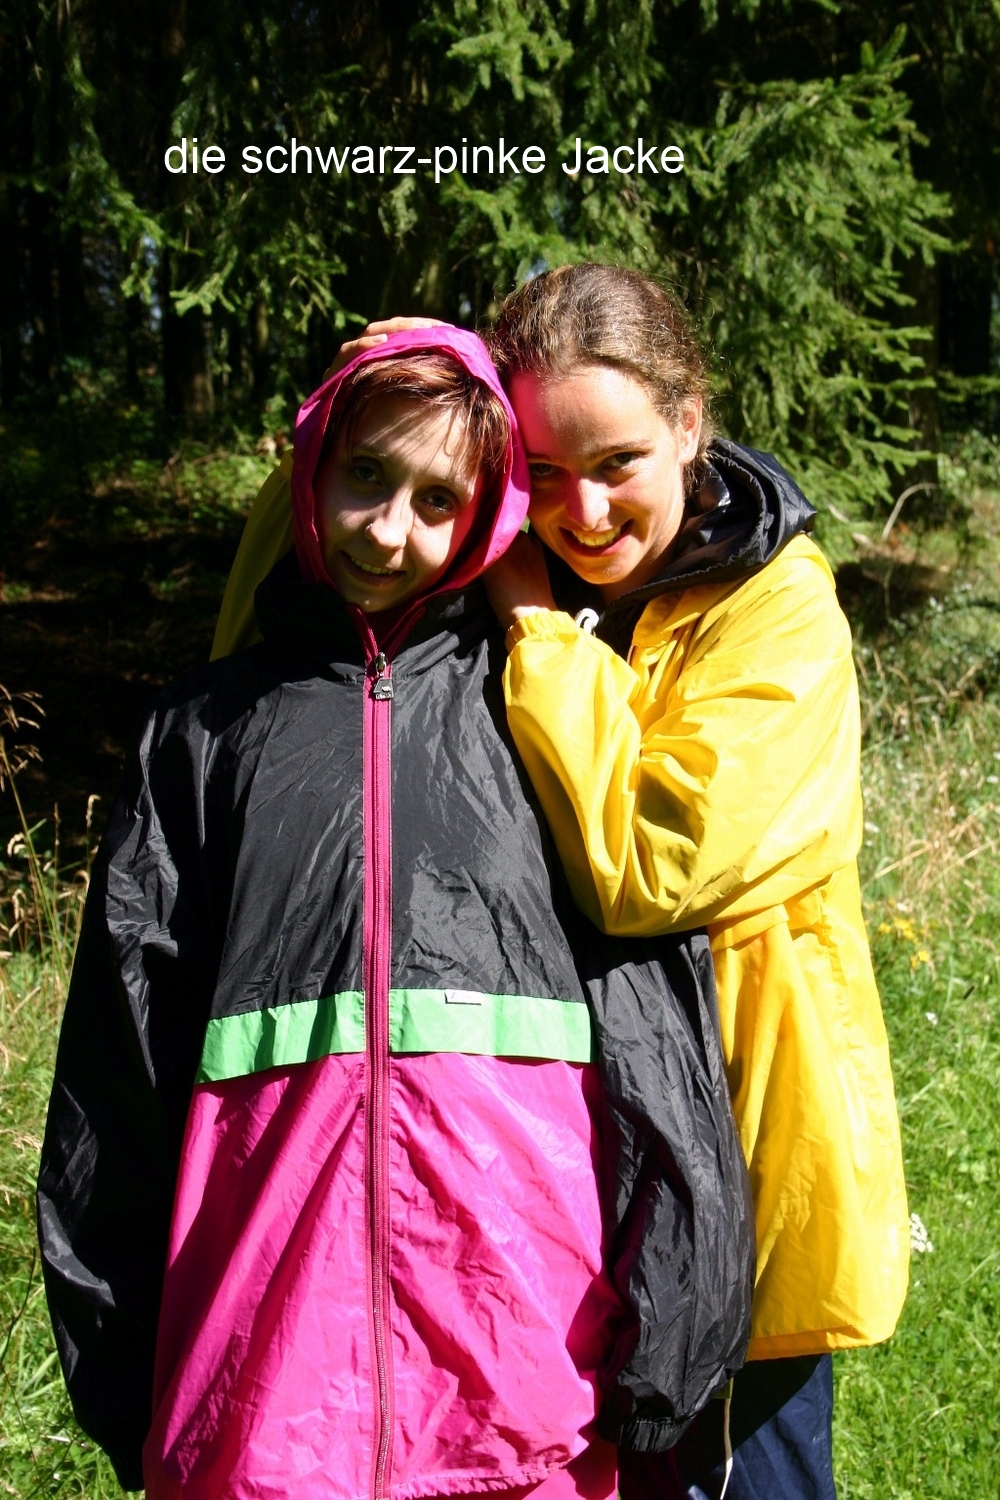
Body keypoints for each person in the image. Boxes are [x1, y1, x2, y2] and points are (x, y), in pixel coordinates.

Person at [214, 265, 911, 1499]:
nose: (582, 511)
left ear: (689, 424)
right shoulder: (495, 566)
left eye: (618, 463)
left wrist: (534, 623)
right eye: (542, 472)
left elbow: (651, 863)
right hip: (554, 1177)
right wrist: (362, 398)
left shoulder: (774, 610)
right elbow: (294, 606)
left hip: (738, 1167)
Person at [37, 325, 753, 1500]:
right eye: (364, 475)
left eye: (437, 499)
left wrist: (668, 1339)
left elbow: (655, 1049)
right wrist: (120, 1365)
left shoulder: (539, 713)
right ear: (309, 467)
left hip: (525, 1388)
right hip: (261, 1395)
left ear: (486, 516)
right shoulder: (203, 734)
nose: (386, 530)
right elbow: (116, 1070)